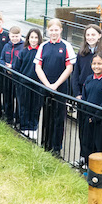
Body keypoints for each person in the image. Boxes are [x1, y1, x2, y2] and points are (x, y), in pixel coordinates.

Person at [35, 19, 74, 154]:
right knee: (46, 115)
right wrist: (47, 85)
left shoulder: (66, 46)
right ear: (47, 31)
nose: (53, 32)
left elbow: (69, 68)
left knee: (59, 117)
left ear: (61, 30)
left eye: (56, 30)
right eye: (51, 30)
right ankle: (45, 143)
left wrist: (56, 85)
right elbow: (38, 67)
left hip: (60, 87)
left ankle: (56, 147)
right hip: (46, 86)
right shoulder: (43, 46)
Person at [78, 53, 102, 161]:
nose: (96, 66)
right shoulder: (89, 79)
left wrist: (95, 117)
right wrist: (86, 115)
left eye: (99, 63)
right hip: (87, 118)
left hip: (101, 120)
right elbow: (84, 98)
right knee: (87, 142)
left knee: (100, 145)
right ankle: (87, 166)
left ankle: (99, 171)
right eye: (94, 63)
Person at [12, 28, 43, 138]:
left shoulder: (42, 52)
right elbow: (16, 68)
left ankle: (33, 127)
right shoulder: (23, 51)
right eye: (31, 37)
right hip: (24, 84)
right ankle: (24, 127)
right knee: (24, 106)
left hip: (38, 85)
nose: (34, 40)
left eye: (36, 37)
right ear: (28, 39)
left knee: (35, 107)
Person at [72, 24, 102, 98]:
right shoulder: (81, 52)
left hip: (96, 91)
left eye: (93, 35)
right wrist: (77, 93)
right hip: (82, 90)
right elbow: (76, 73)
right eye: (88, 35)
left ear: (99, 35)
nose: (90, 37)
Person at [0, 25, 26, 123]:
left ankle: (18, 119)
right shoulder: (6, 46)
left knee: (18, 99)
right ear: (9, 36)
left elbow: (23, 61)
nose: (14, 38)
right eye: (13, 36)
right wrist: (5, 67)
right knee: (7, 96)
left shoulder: (23, 47)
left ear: (20, 35)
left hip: (17, 77)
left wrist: (12, 67)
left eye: (16, 36)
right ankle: (8, 117)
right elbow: (1, 58)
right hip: (7, 75)